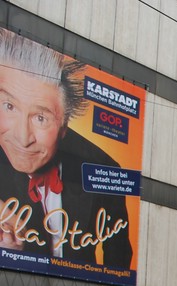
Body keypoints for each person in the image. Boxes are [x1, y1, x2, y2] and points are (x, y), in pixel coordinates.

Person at [0, 30, 132, 266]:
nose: (22, 137)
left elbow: (119, 259)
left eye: (40, 118)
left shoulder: (106, 170)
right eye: (8, 106)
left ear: (64, 127)